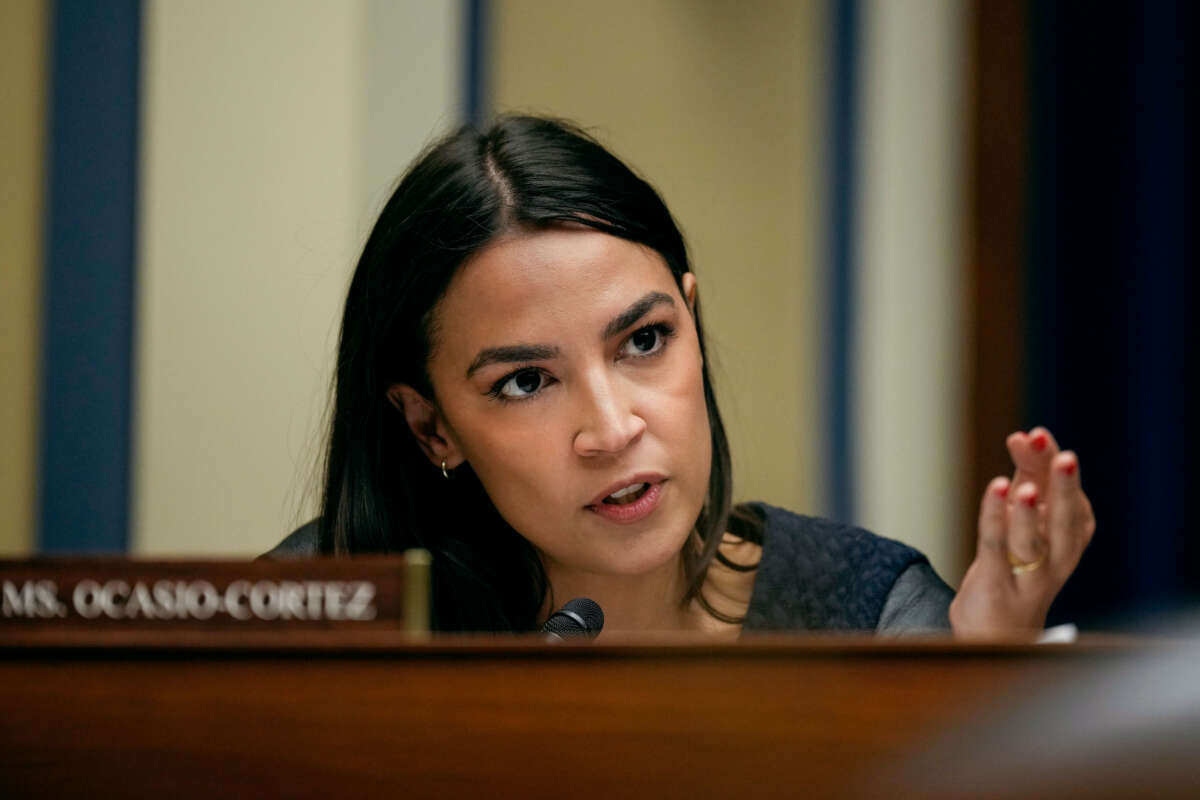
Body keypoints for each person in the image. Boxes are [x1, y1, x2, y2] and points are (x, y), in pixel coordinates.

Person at [267, 116, 1095, 638]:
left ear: (692, 322)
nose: (613, 429)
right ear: (429, 424)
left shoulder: (863, 610)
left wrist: (980, 679)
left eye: (644, 340)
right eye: (525, 382)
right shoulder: (316, 614)